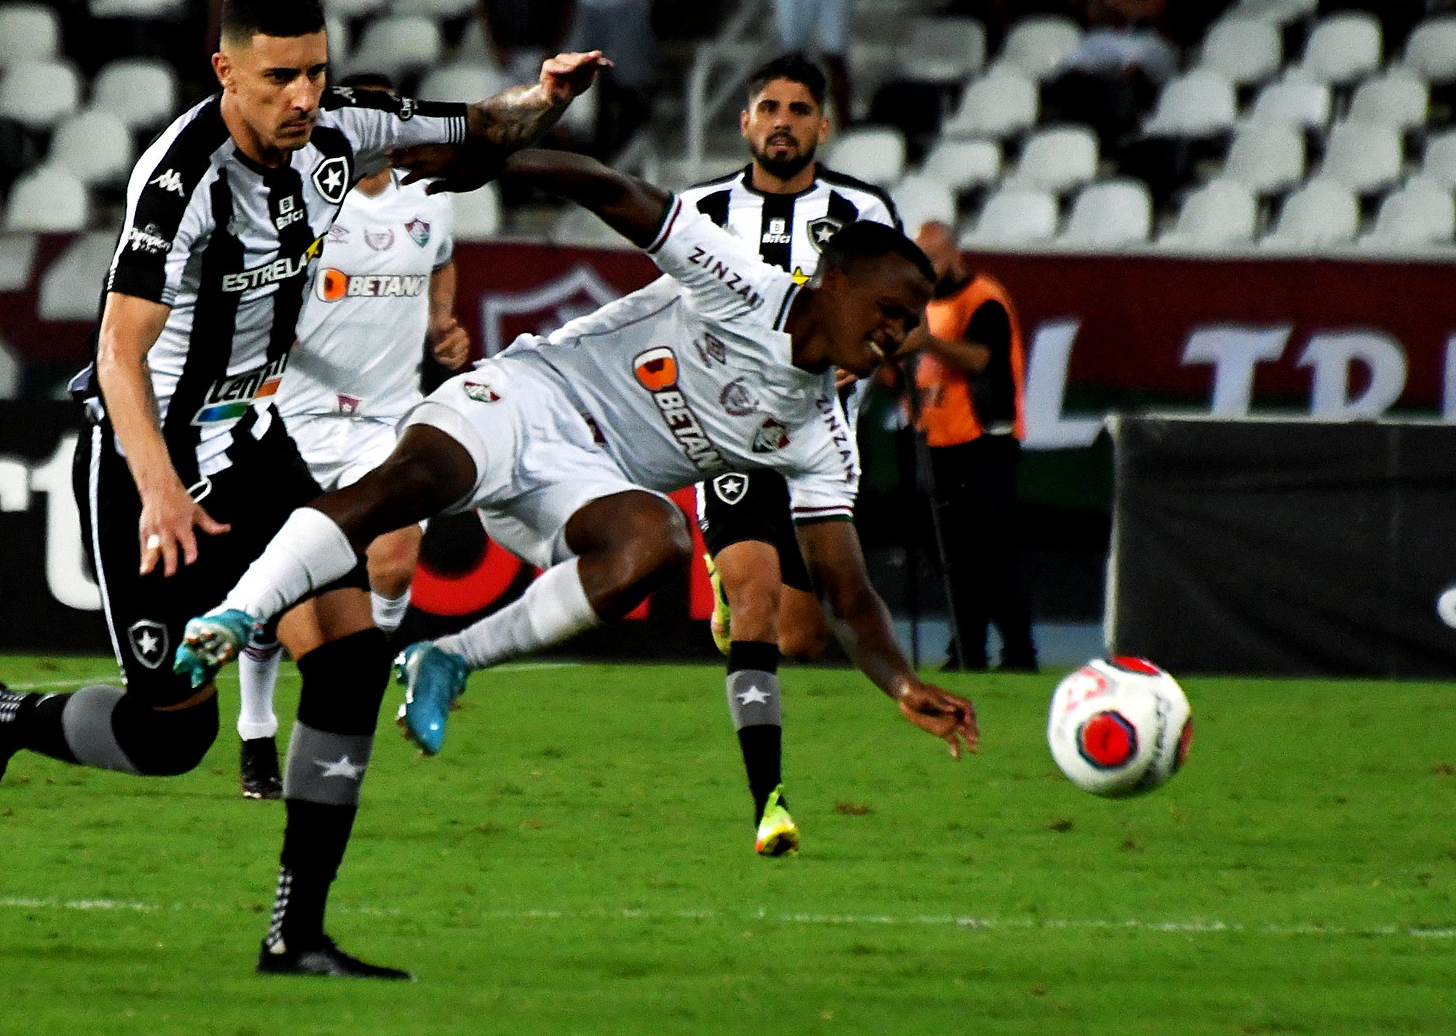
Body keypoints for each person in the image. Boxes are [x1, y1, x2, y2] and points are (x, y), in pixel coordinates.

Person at [0, 0, 606, 980]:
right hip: (144, 456)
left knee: (349, 655)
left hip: (254, 440)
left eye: (316, 72)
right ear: (225, 73)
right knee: (168, 736)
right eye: (279, 76)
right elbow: (119, 353)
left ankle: (297, 931)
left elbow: (473, 128)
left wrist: (545, 96)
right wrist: (159, 487)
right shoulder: (178, 179)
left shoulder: (337, 132)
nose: (303, 96)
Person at [181, 154, 979, 835]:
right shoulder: (742, 284)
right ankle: (233, 616)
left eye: (908, 324)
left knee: (659, 541)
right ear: (833, 282)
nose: (896, 334)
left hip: (583, 487)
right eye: (888, 312)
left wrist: (903, 684)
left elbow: (845, 590)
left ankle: (446, 659)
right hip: (531, 395)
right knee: (416, 481)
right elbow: (615, 193)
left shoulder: (820, 435)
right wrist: (495, 158)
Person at [676, 52, 898, 857]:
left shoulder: (861, 210)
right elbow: (662, 310)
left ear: (822, 126)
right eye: (766, 107)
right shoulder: (696, 210)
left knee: (800, 636)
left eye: (798, 110)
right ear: (743, 123)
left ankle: (736, 607)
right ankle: (767, 802)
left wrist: (867, 349)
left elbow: (897, 313)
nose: (781, 122)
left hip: (815, 442)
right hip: (727, 435)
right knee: (758, 598)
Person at [233, 70, 470, 801]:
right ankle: (253, 729)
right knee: (276, 598)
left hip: (387, 417)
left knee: (395, 563)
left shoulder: (429, 199)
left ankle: (384, 661)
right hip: (295, 418)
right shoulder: (302, 194)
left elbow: (442, 260)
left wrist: (440, 320)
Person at [904, 222, 1037, 673]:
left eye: (934, 261)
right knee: (953, 556)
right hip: (939, 438)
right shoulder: (921, 303)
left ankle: (1019, 652)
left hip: (984, 437)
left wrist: (927, 342)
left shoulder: (983, 297)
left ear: (955, 256)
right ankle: (967, 651)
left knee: (991, 553)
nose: (927, 271)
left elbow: (982, 358)